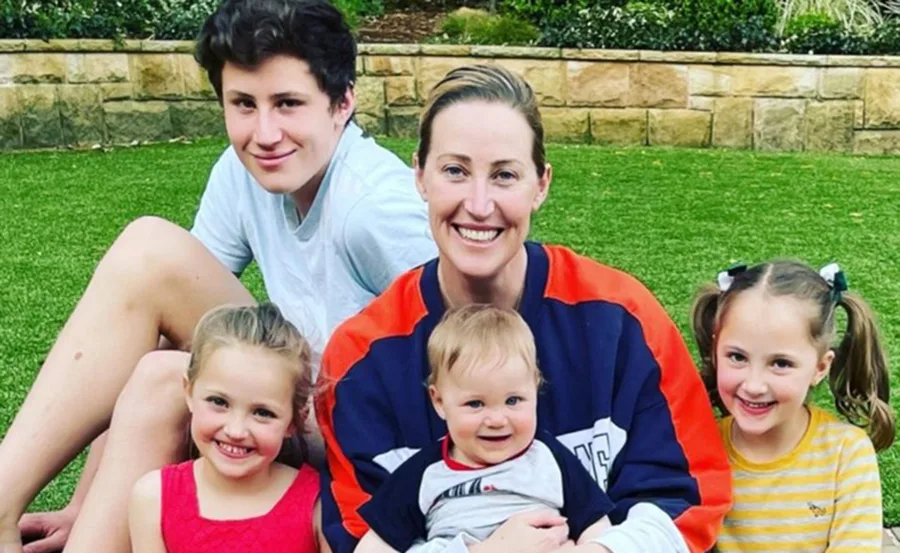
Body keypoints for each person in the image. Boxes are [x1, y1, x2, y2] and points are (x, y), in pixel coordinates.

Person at [0, 1, 435, 552]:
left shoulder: (374, 206)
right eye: (243, 105)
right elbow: (151, 324)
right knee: (155, 307)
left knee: (157, 307)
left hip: (367, 443)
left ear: (342, 102)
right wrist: (88, 503)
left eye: (288, 104)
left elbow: (470, 349)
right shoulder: (243, 171)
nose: (265, 132)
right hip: (286, 400)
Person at [316, 64, 733, 553]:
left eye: (505, 175)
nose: (478, 203)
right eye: (455, 171)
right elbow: (358, 539)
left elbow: (687, 497)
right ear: (420, 176)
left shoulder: (621, 320)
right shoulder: (362, 360)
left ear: (541, 184)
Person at [355, 305, 615, 553]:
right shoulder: (425, 472)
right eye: (475, 404)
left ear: (535, 389)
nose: (497, 419)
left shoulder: (549, 458)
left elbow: (597, 526)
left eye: (513, 400)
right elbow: (373, 546)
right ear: (439, 401)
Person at [691, 261, 895, 553]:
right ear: (715, 350)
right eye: (737, 357)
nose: (754, 384)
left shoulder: (845, 454)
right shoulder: (696, 447)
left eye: (780, 363)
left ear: (820, 367)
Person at [129, 303, 329, 553]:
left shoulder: (318, 505)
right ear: (188, 392)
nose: (236, 431)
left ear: (294, 420)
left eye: (262, 413)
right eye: (219, 402)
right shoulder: (153, 498)